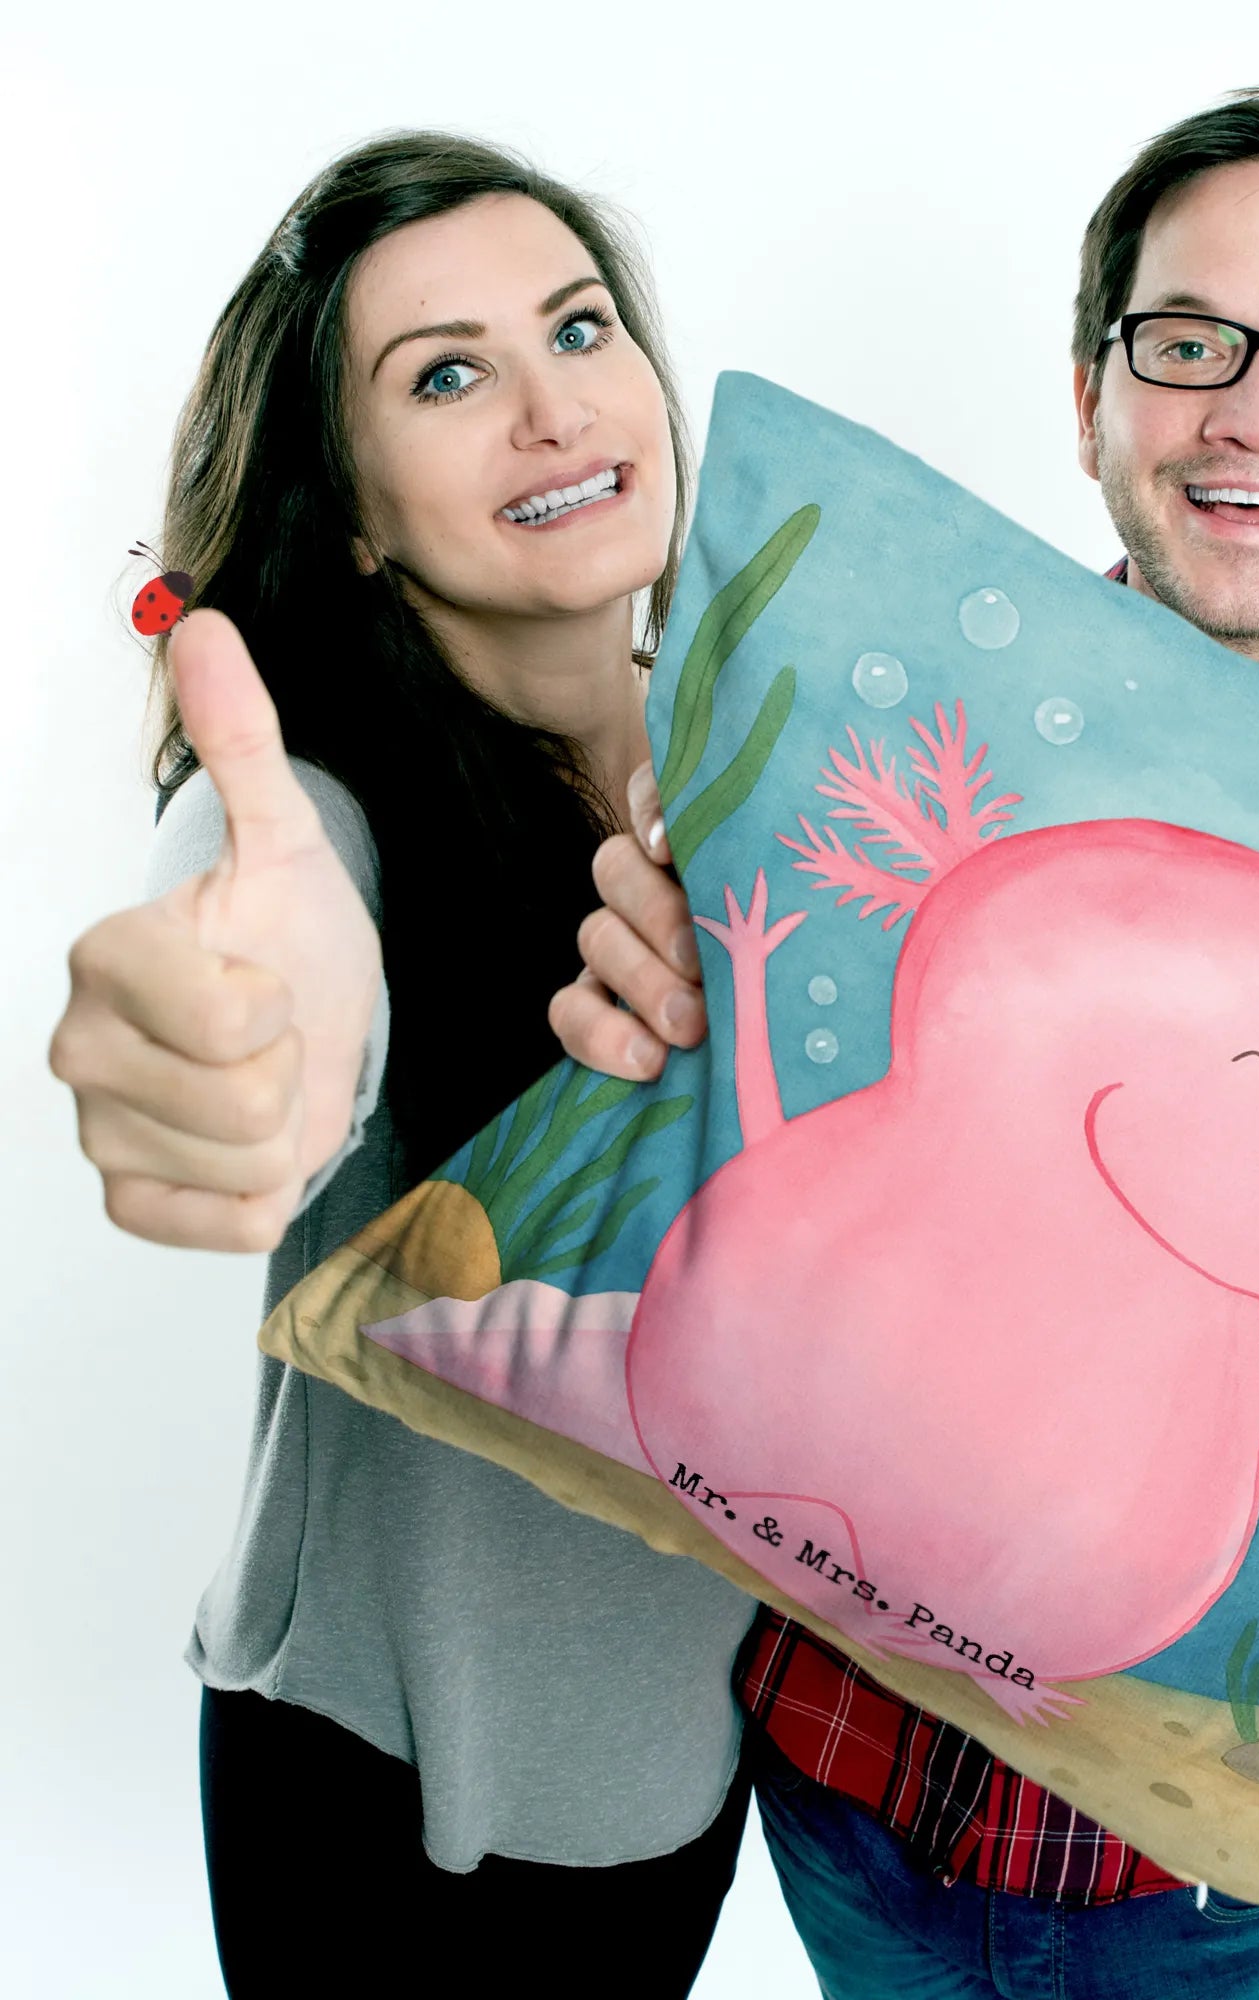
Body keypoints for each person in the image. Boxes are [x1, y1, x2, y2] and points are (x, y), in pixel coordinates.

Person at [554, 87, 1259, 1998]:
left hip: (1220, 1897)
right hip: (836, 1800)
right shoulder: (862, 747)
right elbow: (727, 1189)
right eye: (1190, 344)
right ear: (1091, 396)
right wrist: (647, 1011)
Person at [47, 135, 750, 1996]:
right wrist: (233, 1030)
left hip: (686, 1768)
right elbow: (264, 930)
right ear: (354, 513)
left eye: (578, 329)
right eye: (445, 376)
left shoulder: (758, 769)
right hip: (391, 1799)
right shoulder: (320, 809)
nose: (551, 409)